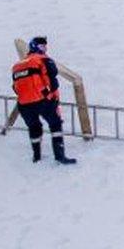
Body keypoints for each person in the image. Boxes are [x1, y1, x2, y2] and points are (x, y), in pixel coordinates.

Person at [10, 36, 77, 165]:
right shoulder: (43, 60)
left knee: (34, 127)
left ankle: (37, 156)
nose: (44, 49)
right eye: (42, 46)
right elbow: (53, 82)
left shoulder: (17, 66)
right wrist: (51, 97)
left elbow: (15, 87)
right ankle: (59, 155)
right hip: (42, 101)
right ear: (35, 47)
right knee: (55, 124)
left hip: (24, 104)